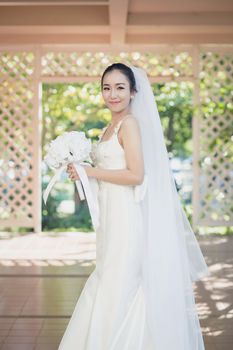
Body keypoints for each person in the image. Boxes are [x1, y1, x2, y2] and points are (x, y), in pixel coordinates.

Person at [59, 63, 210, 350]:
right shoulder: (109, 127)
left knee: (121, 286)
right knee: (110, 280)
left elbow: (135, 175)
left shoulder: (130, 124)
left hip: (127, 218)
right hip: (110, 220)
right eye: (106, 88)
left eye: (119, 87)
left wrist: (90, 173)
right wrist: (81, 171)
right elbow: (108, 172)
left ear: (133, 92)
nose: (112, 94)